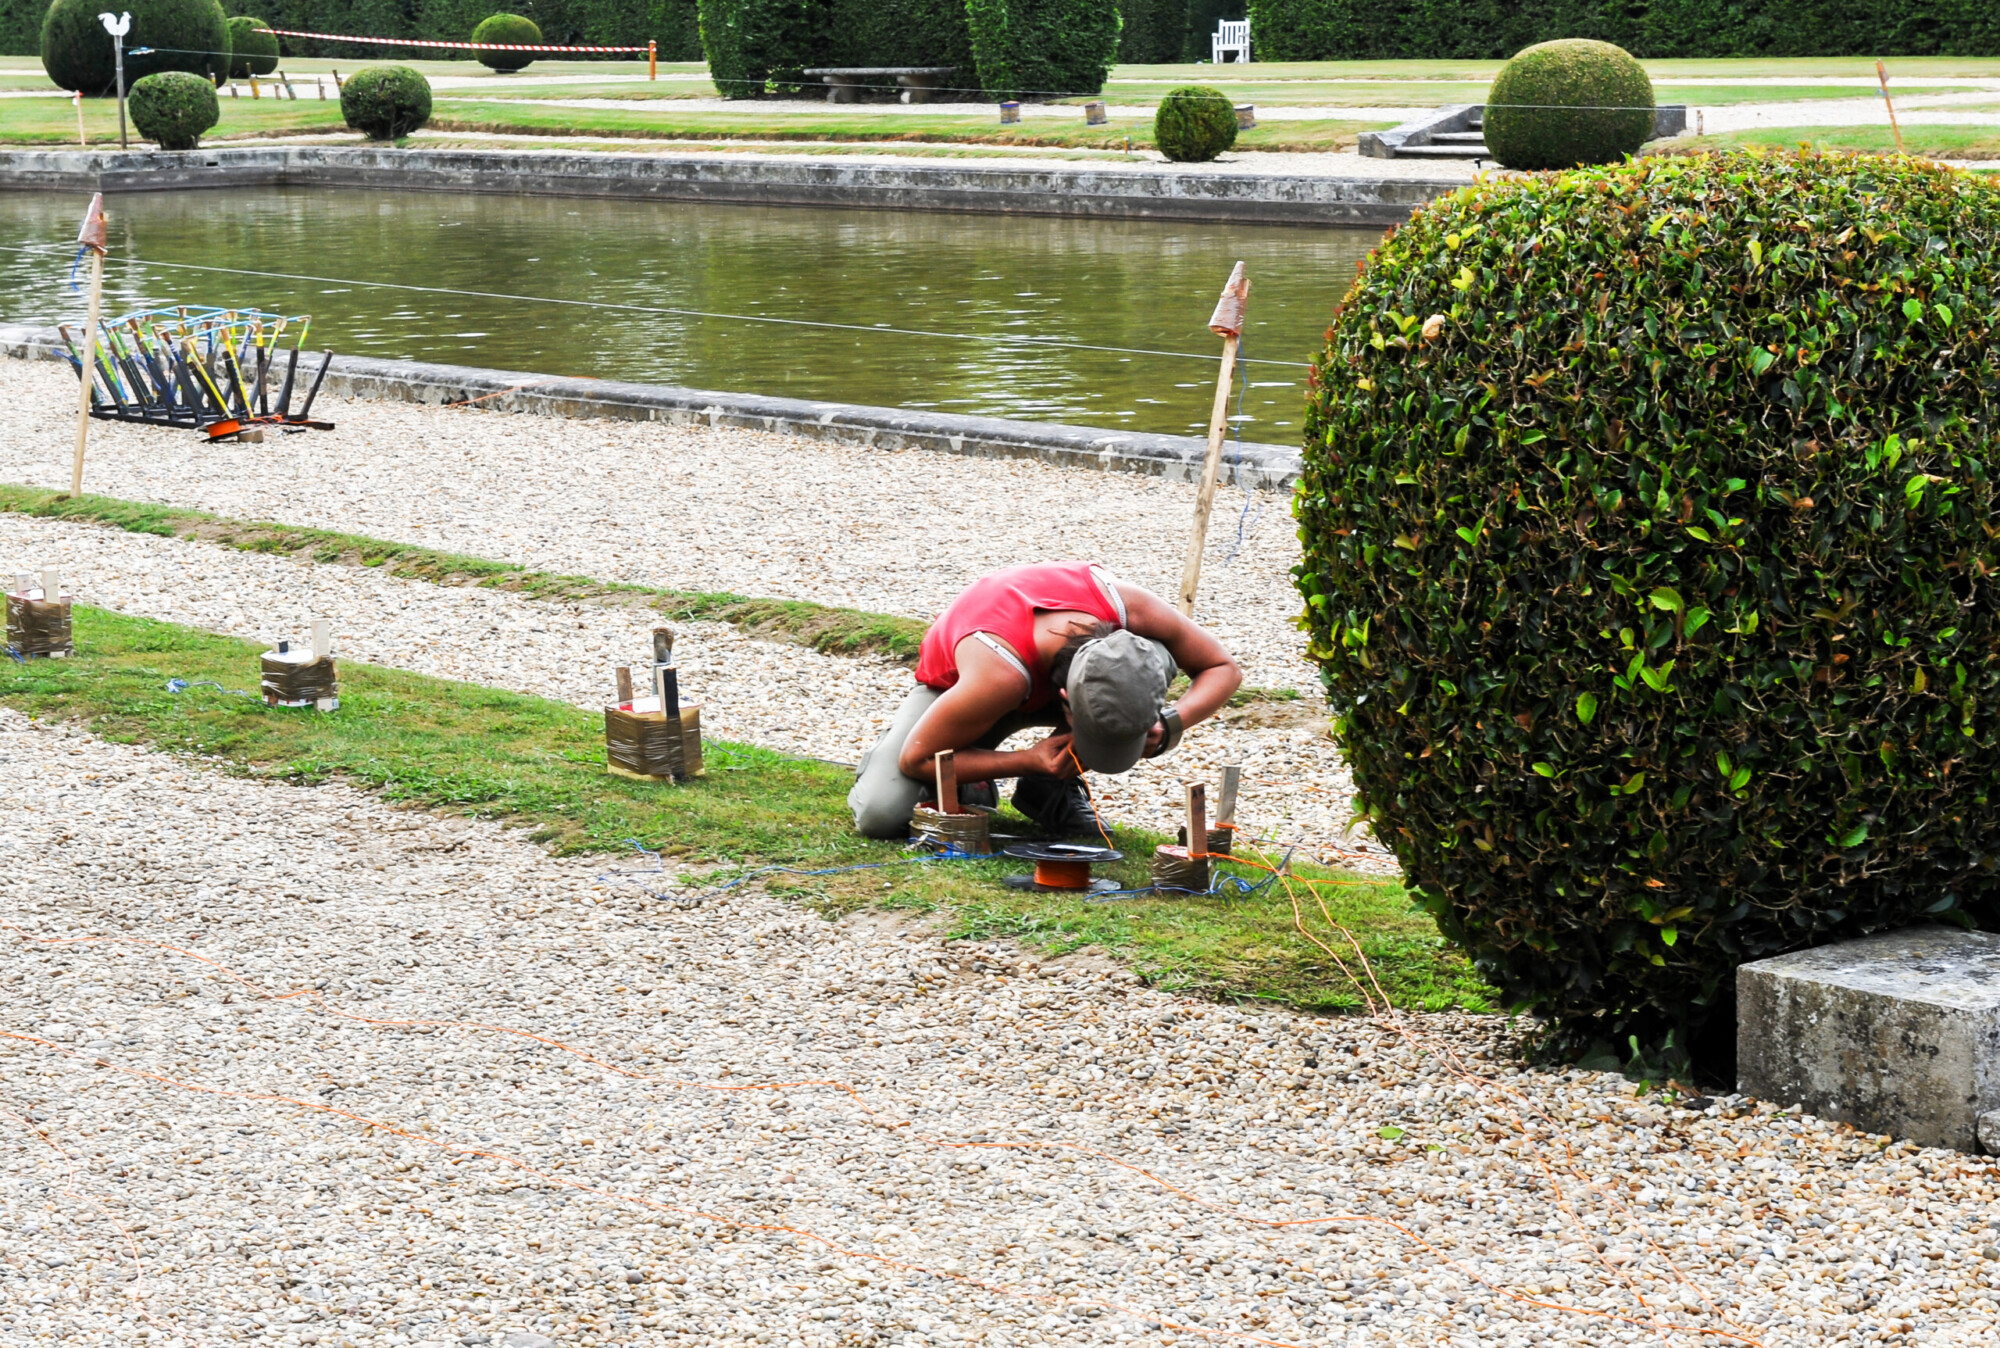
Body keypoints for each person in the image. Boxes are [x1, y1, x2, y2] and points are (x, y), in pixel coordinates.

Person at [849, 561, 1242, 838]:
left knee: (1152, 654)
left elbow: (1223, 668)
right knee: (882, 815)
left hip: (1030, 675)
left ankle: (1047, 794)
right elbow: (917, 760)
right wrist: (1028, 761)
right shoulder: (997, 676)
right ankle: (976, 773)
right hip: (961, 688)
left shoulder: (1129, 607)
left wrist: (1169, 721)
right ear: (1063, 703)